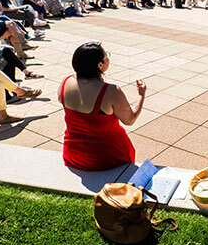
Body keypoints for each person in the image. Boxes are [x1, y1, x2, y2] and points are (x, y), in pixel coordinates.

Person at [59, 42, 146, 171]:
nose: (108, 59)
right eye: (106, 56)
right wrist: (141, 95)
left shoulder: (65, 82)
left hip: (73, 154)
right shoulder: (111, 91)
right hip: (109, 158)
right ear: (100, 65)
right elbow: (130, 120)